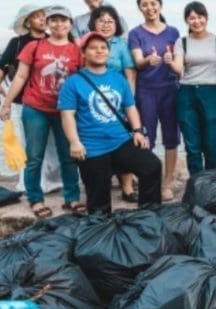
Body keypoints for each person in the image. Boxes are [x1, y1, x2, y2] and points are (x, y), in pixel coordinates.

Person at [58, 32, 162, 214]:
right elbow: (67, 116)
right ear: (83, 53)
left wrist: (137, 131)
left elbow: (130, 108)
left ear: (109, 52)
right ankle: (102, 228)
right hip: (92, 147)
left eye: (103, 47)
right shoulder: (73, 83)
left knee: (152, 166)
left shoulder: (118, 78)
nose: (99, 51)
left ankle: (149, 215)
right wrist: (74, 142)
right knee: (99, 203)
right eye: (93, 48)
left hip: (120, 141)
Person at [0, 5, 83, 218]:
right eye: (53, 20)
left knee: (68, 155)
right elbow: (20, 76)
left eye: (63, 20)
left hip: (65, 111)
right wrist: (7, 104)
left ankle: (71, 198)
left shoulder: (77, 50)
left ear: (70, 24)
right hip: (35, 107)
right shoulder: (34, 47)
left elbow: (83, 80)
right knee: (34, 156)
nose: (59, 24)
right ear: (47, 23)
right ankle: (35, 199)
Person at [0, 3, 65, 194]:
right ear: (27, 21)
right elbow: (1, 65)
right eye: (37, 16)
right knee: (30, 143)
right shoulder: (17, 43)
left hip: (51, 99)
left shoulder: (53, 40)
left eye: (43, 16)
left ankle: (55, 180)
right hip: (23, 100)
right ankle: (33, 182)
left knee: (53, 143)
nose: (42, 19)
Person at [128, 0, 181, 201]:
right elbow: (137, 61)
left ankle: (167, 183)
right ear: (140, 8)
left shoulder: (173, 32)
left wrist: (171, 62)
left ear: (160, 4)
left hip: (170, 90)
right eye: (145, 4)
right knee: (145, 137)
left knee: (171, 138)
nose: (150, 8)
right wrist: (148, 60)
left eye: (153, 3)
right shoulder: (135, 33)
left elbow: (179, 63)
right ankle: (148, 181)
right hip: (146, 91)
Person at [168, 1, 216, 176]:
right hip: (187, 93)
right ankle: (196, 183)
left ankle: (212, 183)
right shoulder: (182, 42)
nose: (196, 21)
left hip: (212, 93)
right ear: (187, 21)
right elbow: (179, 68)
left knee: (211, 143)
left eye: (200, 17)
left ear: (206, 18)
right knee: (192, 145)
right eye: (192, 18)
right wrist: (169, 62)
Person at [88, 4, 138, 200]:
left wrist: (129, 102)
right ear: (94, 23)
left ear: (116, 24)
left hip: (117, 101)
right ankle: (101, 186)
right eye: (101, 21)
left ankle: (127, 188)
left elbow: (130, 74)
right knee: (96, 142)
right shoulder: (86, 43)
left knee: (124, 143)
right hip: (92, 101)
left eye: (110, 21)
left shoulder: (121, 45)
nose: (106, 25)